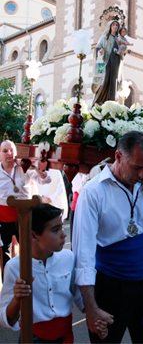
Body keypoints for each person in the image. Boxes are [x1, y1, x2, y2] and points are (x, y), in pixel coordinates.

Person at [72, 131, 143, 343]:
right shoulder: (93, 192)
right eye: (137, 167)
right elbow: (83, 255)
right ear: (118, 157)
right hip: (110, 287)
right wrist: (91, 308)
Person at [0, 204, 87, 343]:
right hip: (33, 338)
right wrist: (17, 299)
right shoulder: (15, 267)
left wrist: (94, 312)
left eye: (62, 227)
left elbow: (78, 295)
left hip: (65, 336)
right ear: (34, 235)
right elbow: (6, 318)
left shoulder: (68, 257)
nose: (64, 234)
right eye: (55, 230)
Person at [0, 140, 51, 270]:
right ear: (0, 154)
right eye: (5, 151)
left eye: (12, 150)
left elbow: (46, 180)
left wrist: (36, 168)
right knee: (4, 254)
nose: (9, 153)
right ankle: (9, 283)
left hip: (24, 217)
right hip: (3, 219)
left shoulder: (26, 167)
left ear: (16, 152)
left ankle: (31, 280)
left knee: (29, 252)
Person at [92, 20, 121, 107]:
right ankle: (98, 102)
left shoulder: (118, 40)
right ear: (110, 26)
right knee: (104, 81)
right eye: (113, 25)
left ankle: (111, 103)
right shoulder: (105, 37)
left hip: (115, 63)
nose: (115, 26)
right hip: (106, 62)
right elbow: (98, 47)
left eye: (117, 25)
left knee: (113, 82)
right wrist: (100, 51)